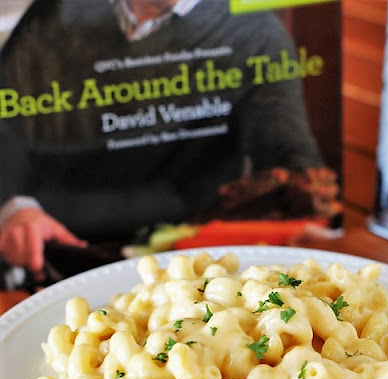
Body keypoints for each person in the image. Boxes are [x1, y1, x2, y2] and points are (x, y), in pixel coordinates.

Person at [0, 0, 325, 279]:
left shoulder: (254, 32)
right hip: (55, 253)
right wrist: (13, 206)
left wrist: (304, 206)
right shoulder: (56, 10)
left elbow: (290, 158)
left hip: (192, 264)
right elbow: (6, 120)